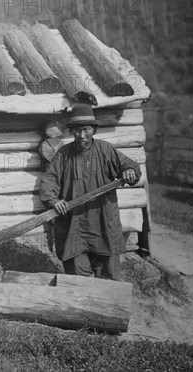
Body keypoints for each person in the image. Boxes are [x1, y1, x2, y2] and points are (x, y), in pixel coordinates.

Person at [40, 103, 141, 281]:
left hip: (103, 224)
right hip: (73, 227)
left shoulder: (105, 150)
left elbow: (129, 166)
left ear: (93, 129)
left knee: (109, 281)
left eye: (86, 130)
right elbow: (49, 180)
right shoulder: (63, 155)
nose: (82, 136)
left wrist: (130, 172)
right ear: (72, 132)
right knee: (78, 282)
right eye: (77, 131)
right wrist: (54, 200)